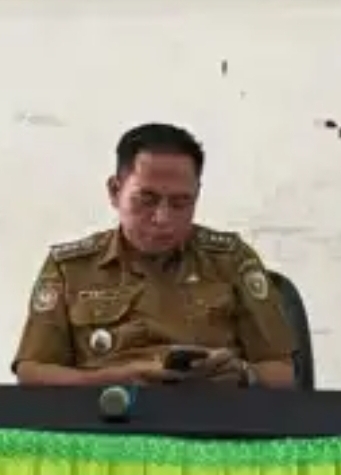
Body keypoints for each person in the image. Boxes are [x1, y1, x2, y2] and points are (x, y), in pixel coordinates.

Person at [12, 123, 296, 388]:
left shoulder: (231, 260)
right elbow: (32, 371)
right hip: (106, 414)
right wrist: (109, 379)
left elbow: (283, 372)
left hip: (211, 413)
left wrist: (245, 374)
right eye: (146, 200)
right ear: (115, 191)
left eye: (180, 203)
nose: (162, 218)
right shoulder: (71, 268)